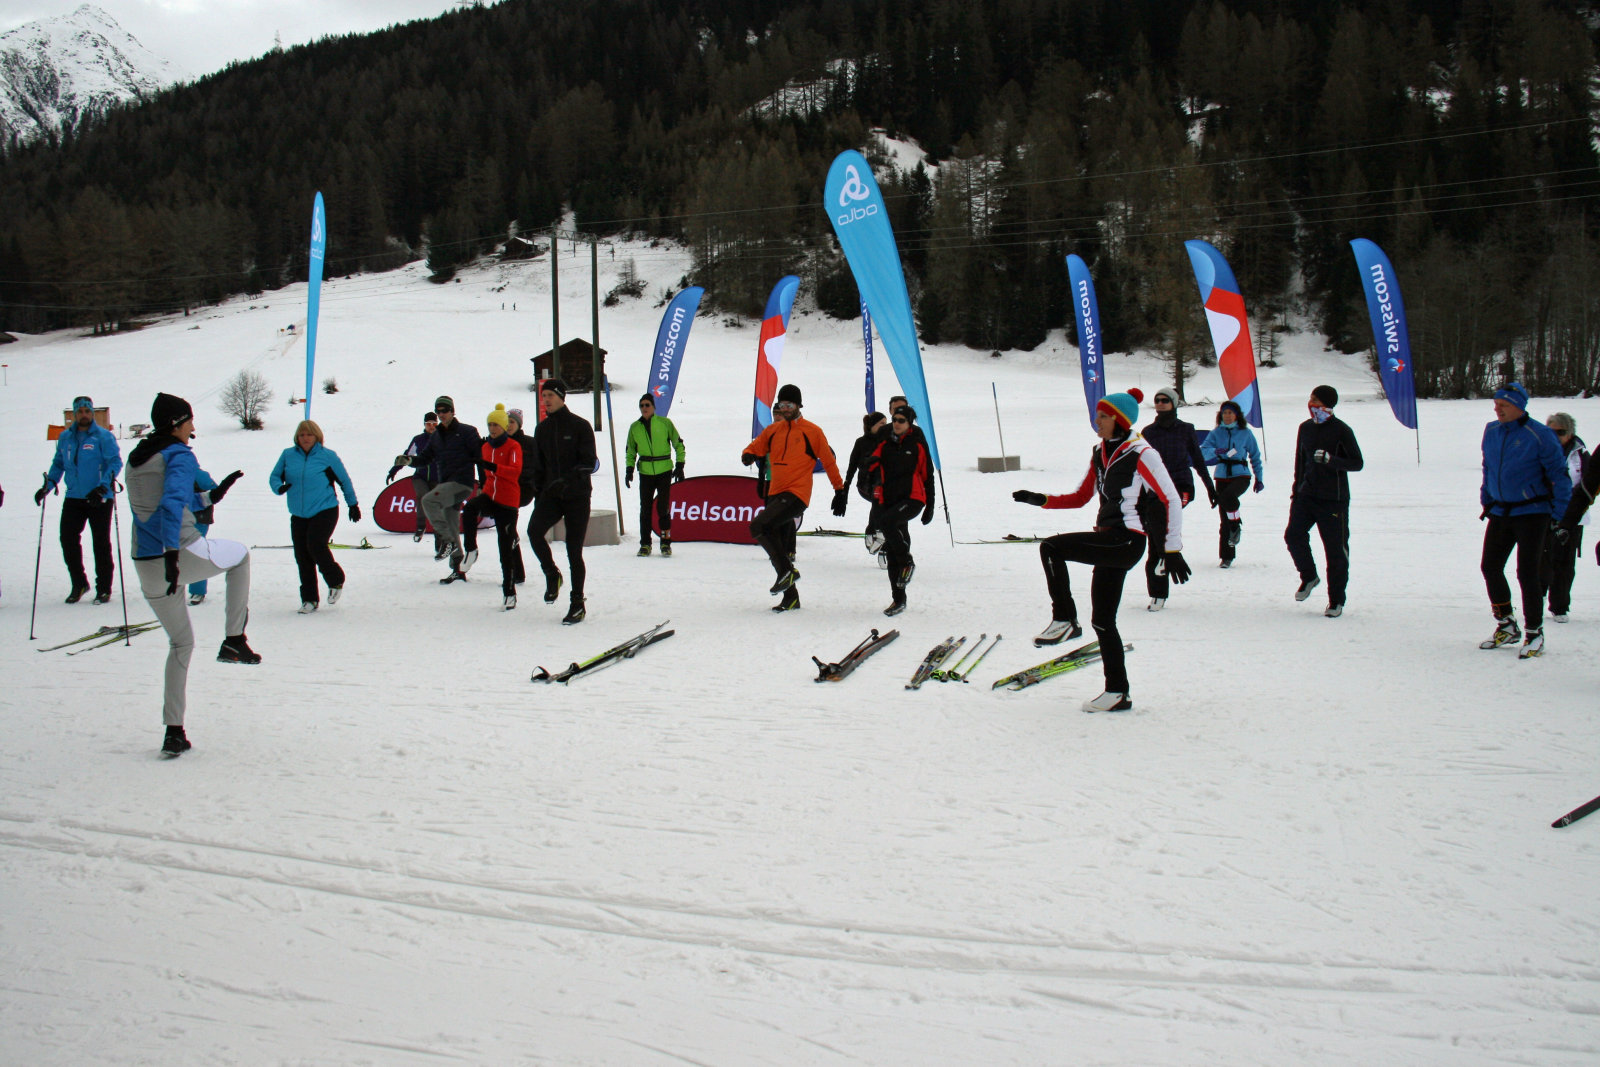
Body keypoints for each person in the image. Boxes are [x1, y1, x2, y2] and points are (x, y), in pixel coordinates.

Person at [1012, 388, 1189, 713]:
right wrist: (1041, 499)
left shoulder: (1141, 453)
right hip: (1109, 540)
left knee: (1051, 547)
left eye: (1104, 416)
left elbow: (1171, 498)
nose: (1098, 421)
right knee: (1104, 621)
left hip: (1127, 540)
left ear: (1120, 421)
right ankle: (1117, 693)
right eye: (1097, 415)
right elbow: (1081, 497)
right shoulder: (1100, 453)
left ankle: (1064, 619)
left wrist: (1172, 548)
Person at [125, 392, 254, 755]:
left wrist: (212, 496)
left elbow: (163, 501)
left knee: (180, 644)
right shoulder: (179, 454)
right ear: (176, 423)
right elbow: (170, 505)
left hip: (145, 564)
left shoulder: (137, 458)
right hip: (178, 553)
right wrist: (172, 552)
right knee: (241, 557)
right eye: (189, 421)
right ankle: (234, 639)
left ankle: (174, 731)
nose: (193, 427)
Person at [1478, 383, 1570, 657]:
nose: (1498, 410)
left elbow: (1559, 475)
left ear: (1519, 407)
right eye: (1496, 404)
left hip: (1532, 512)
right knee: (1490, 567)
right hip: (1500, 510)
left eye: (1503, 405)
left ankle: (1534, 632)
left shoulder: (1540, 434)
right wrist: (1486, 497)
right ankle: (1507, 624)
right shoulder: (1491, 431)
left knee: (1527, 573)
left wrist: (1559, 516)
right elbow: (1488, 466)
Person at [741, 384, 846, 612]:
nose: (786, 409)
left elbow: (829, 461)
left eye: (790, 404)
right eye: (782, 405)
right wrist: (748, 455)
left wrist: (839, 490)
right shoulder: (773, 430)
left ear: (798, 405)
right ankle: (791, 597)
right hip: (775, 492)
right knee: (775, 541)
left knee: (758, 526)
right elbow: (755, 446)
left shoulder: (812, 431)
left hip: (797, 494)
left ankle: (787, 572)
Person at [1285, 385, 1363, 618]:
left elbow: (1357, 463)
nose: (1311, 404)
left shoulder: (1342, 430)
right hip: (1306, 495)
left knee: (1335, 551)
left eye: (1316, 400)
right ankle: (1309, 576)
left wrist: (1331, 460)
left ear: (1327, 404)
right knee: (1293, 536)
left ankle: (1336, 601)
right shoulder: (1305, 428)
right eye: (1310, 399)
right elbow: (1300, 462)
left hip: (1333, 500)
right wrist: (1296, 491)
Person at [36, 395, 123, 604]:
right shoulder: (66, 437)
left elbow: (115, 462)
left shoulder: (103, 436)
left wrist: (103, 487)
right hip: (74, 496)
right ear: (75, 414)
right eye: (80, 412)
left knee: (100, 543)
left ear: (91, 413)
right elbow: (59, 464)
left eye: (87, 411)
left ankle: (104, 588)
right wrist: (48, 486)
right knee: (67, 539)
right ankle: (79, 583)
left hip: (99, 497)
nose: (83, 415)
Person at [268, 420, 360, 614]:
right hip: (298, 513)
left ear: (317, 436)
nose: (305, 438)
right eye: (301, 435)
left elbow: (344, 480)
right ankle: (309, 599)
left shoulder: (328, 456)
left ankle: (335, 579)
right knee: (302, 555)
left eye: (309, 434)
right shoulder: (288, 455)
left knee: (315, 545)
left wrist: (353, 504)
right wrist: (279, 487)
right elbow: (274, 476)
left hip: (325, 509)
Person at [525, 379, 597, 623]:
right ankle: (551, 574)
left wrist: (567, 480)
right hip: (551, 495)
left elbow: (589, 462)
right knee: (534, 532)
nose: (546, 400)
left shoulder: (580, 426)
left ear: (561, 397)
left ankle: (577, 603)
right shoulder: (542, 429)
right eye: (543, 395)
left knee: (573, 550)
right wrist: (536, 486)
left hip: (577, 496)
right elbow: (539, 465)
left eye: (550, 395)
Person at [1139, 387, 1217, 608]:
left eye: (1165, 400)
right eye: (1157, 400)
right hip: (1155, 489)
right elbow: (1140, 465)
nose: (1160, 403)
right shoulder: (1148, 432)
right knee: (1155, 537)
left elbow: (1198, 460)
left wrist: (1210, 488)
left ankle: (1167, 561)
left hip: (1181, 488)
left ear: (1174, 403)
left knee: (1160, 524)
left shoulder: (1186, 429)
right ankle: (1158, 590)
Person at [398, 396, 481, 574]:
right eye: (439, 411)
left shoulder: (467, 431)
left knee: (428, 501)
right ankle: (458, 569)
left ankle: (447, 541)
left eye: (445, 411)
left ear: (452, 411)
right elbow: (425, 458)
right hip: (447, 484)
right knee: (451, 524)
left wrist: (483, 484)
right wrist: (409, 460)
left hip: (461, 483)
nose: (441, 414)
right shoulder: (436, 436)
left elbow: (480, 458)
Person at [866, 405, 935, 615]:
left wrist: (930, 506)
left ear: (909, 423)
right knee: (892, 551)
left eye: (901, 420)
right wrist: (870, 466)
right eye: (894, 419)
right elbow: (871, 465)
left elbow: (928, 476)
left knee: (887, 524)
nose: (896, 423)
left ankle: (907, 561)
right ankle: (899, 599)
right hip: (890, 501)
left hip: (913, 499)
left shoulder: (917, 445)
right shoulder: (885, 444)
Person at [456, 404, 524, 609]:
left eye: (496, 425)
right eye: (490, 425)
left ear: (504, 427)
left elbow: (515, 471)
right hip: (490, 496)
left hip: (508, 502)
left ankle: (509, 592)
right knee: (469, 509)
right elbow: (486, 474)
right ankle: (471, 550)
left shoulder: (513, 446)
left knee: (505, 549)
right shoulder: (486, 447)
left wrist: (494, 467)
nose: (492, 429)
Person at [1199, 400, 1263, 570]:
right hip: (1221, 476)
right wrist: (1216, 451)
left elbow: (1255, 456)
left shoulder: (1245, 433)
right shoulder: (1215, 433)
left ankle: (1236, 524)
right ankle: (1226, 557)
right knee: (1224, 519)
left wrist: (1259, 478)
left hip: (1241, 475)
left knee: (1228, 497)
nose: (1227, 416)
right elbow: (1203, 453)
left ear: (1237, 415)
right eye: (1224, 413)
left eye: (1230, 413)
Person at [624, 393, 686, 557]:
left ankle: (665, 543)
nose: (644, 408)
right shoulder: (635, 427)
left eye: (647, 405)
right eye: (641, 405)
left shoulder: (665, 423)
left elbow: (678, 444)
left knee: (662, 508)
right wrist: (629, 469)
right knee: (645, 509)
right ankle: (645, 543)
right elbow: (631, 450)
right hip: (645, 472)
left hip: (664, 470)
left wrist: (680, 464)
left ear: (653, 407)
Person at [1541, 413, 1588, 623]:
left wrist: (1574, 502)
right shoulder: (1540, 449)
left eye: (1560, 432)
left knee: (1565, 562)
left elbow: (1588, 483)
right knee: (1540, 558)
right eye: (1551, 432)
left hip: (1572, 516)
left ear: (1570, 433)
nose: (1556, 436)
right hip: (1544, 512)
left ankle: (1560, 606)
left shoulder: (1581, 453)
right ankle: (1536, 599)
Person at [387, 411, 444, 555]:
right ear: (424, 425)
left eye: (434, 424)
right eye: (428, 424)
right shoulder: (418, 440)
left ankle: (439, 540)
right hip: (420, 476)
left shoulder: (443, 439)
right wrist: (394, 470)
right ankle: (420, 526)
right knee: (422, 496)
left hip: (437, 478)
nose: (431, 427)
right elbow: (407, 456)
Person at [843, 411, 889, 557]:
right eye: (881, 423)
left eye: (886, 423)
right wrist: (845, 488)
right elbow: (852, 466)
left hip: (885, 485)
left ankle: (882, 539)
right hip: (866, 485)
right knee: (880, 500)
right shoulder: (861, 442)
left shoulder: (889, 441)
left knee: (885, 502)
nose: (885, 426)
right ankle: (873, 531)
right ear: (872, 426)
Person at [505, 408, 536, 584]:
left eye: (512, 422)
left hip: (523, 489)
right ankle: (516, 572)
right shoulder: (500, 442)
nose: (508, 426)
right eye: (506, 422)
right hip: (506, 490)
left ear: (519, 424)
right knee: (508, 528)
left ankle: (516, 572)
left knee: (508, 527)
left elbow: (534, 468)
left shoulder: (529, 443)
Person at [187, 467, 218, 605]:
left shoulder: (197, 473)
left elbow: (215, 491)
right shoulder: (170, 471)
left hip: (198, 520)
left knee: (196, 553)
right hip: (178, 518)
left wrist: (199, 500)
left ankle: (198, 591)